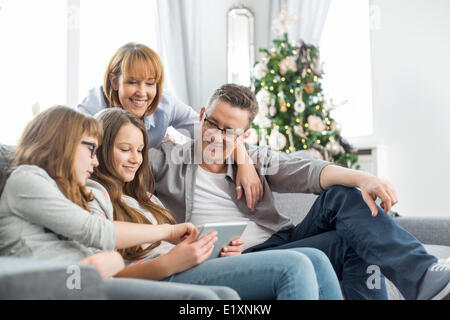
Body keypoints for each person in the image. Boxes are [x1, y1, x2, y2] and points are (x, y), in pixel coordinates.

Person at [148, 83, 450, 300]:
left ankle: (422, 275)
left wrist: (363, 178)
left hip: (281, 242)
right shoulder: (170, 161)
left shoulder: (253, 158)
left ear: (245, 135)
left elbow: (307, 171)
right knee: (351, 242)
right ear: (201, 115)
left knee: (344, 197)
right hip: (239, 259)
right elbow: (120, 148)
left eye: (230, 131)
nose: (216, 136)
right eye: (212, 123)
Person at [87, 107, 343, 300]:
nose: (136, 158)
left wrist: (210, 247)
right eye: (125, 149)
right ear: (101, 148)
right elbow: (98, 276)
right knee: (294, 266)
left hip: (190, 267)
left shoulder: (145, 197)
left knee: (316, 259)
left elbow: (169, 243)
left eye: (141, 150)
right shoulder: (93, 195)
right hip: (163, 277)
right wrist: (169, 263)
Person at [0, 105, 240, 300]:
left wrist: (109, 262)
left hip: (86, 280)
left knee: (224, 294)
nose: (95, 163)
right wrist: (167, 231)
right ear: (65, 144)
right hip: (63, 285)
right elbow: (96, 232)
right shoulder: (27, 178)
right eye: (91, 150)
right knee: (204, 300)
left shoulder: (64, 191)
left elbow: (102, 252)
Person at [77, 42, 262, 212]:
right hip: (99, 181)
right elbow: (74, 157)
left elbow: (208, 129)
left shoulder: (165, 104)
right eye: (133, 82)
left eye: (150, 83)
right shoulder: (92, 108)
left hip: (139, 182)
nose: (142, 92)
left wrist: (244, 161)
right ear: (114, 81)